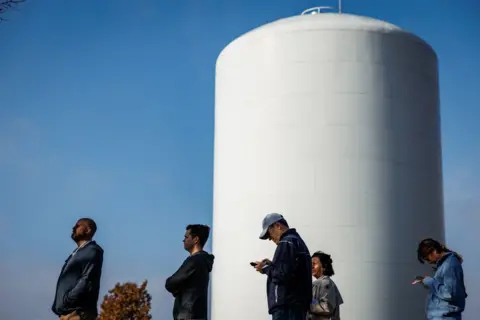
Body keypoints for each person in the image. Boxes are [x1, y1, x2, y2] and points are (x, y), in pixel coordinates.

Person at [253, 213, 312, 320]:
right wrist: (273, 265)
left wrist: (265, 269)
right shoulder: (298, 242)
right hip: (297, 307)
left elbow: (282, 274)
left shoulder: (286, 242)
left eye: (269, 233)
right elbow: (291, 272)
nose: (270, 239)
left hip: (286, 308)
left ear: (278, 226)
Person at [52, 218, 104, 320]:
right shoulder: (77, 252)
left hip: (77, 313)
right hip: (68, 313)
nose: (73, 228)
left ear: (88, 230)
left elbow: (87, 279)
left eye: (77, 226)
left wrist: (68, 299)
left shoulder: (92, 250)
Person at [165, 224, 215, 320]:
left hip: (187, 315)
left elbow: (170, 284)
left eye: (186, 237)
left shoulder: (194, 261)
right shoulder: (204, 261)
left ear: (196, 239)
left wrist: (177, 289)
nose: (183, 240)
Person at [415, 238, 467, 320]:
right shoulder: (445, 264)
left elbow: (450, 293)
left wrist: (430, 282)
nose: (429, 262)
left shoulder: (450, 264)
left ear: (434, 251)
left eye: (427, 259)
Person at [308, 251, 343, 320]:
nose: (311, 266)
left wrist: (307, 303)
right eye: (310, 264)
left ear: (324, 266)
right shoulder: (320, 283)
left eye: (314, 264)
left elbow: (325, 308)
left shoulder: (325, 283)